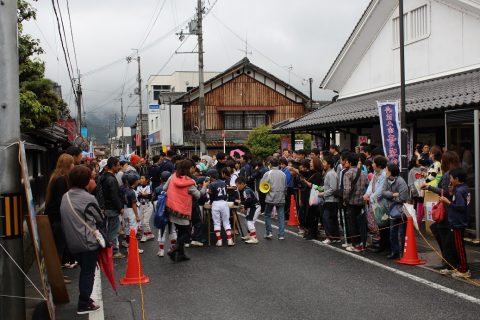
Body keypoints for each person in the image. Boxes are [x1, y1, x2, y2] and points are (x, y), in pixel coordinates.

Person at [60, 165, 103, 314]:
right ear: (86, 181)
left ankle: (86, 299)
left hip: (72, 242)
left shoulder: (65, 196)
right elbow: (99, 218)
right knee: (87, 272)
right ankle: (84, 303)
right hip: (87, 242)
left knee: (84, 271)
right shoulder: (88, 198)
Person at [422, 151, 460, 272]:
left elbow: (445, 192)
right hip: (452, 209)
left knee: (444, 234)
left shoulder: (447, 175)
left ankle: (449, 262)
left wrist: (429, 187)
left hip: (447, 209)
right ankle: (450, 261)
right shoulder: (456, 172)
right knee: (443, 232)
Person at [164, 159, 205, 261]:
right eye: (192, 168)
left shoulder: (172, 177)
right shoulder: (189, 183)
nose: (193, 170)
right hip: (182, 211)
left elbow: (164, 188)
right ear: (188, 169)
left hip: (171, 208)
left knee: (181, 231)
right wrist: (204, 187)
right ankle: (174, 248)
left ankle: (181, 254)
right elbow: (198, 195)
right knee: (186, 233)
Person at [45, 154, 77, 270]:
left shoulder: (56, 177)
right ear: (68, 165)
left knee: (58, 246)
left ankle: (58, 272)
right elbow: (61, 201)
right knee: (59, 246)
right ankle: (58, 275)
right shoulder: (61, 180)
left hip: (54, 217)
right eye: (72, 163)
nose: (74, 165)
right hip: (58, 218)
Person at [440, 168, 471, 278]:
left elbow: (460, 207)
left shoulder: (459, 191)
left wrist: (448, 202)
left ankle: (464, 269)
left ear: (457, 179)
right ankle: (459, 267)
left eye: (452, 178)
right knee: (457, 245)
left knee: (459, 247)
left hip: (458, 222)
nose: (450, 180)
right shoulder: (464, 188)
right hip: (459, 221)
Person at [382, 163, 409, 259]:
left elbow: (403, 198)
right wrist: (393, 195)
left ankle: (402, 253)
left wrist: (390, 198)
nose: (385, 171)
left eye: (387, 170)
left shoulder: (401, 182)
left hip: (401, 211)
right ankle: (395, 252)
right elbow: (383, 192)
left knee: (401, 233)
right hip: (392, 209)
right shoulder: (386, 179)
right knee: (392, 232)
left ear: (391, 171)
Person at [342, 153, 368, 252]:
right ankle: (362, 243)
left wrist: (345, 200)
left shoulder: (347, 173)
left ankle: (355, 245)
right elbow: (367, 186)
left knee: (352, 224)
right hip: (361, 202)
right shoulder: (363, 173)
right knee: (361, 223)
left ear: (349, 162)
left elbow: (347, 189)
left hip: (351, 202)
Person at [101, 157, 125, 259]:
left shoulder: (104, 177)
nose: (119, 167)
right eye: (118, 165)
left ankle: (109, 250)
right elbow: (114, 196)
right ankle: (113, 251)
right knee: (113, 231)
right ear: (113, 166)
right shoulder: (111, 179)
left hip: (106, 207)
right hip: (112, 208)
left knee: (108, 229)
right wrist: (120, 207)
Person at [363, 155, 388, 252]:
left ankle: (381, 244)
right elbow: (371, 185)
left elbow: (381, 190)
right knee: (372, 221)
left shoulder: (384, 175)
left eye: (374, 163)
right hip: (373, 202)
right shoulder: (375, 173)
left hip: (380, 203)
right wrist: (367, 194)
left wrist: (370, 197)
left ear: (379, 166)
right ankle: (377, 241)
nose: (372, 164)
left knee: (380, 222)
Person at [261, 157, 287, 240]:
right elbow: (285, 186)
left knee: (267, 214)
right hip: (281, 197)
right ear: (278, 164)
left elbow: (262, 185)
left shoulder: (268, 173)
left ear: (270, 164)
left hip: (270, 197)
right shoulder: (283, 174)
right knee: (281, 216)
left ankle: (269, 233)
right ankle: (281, 234)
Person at [208, 170, 234, 247]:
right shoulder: (224, 183)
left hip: (215, 203)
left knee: (216, 222)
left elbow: (211, 195)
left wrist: (211, 202)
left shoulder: (211, 184)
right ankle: (229, 240)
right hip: (224, 202)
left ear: (212, 177)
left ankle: (219, 241)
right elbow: (226, 195)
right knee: (226, 221)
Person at [299, 157, 324, 240]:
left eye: (312, 162)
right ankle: (309, 232)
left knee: (313, 215)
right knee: (308, 215)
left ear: (316, 164)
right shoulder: (311, 172)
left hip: (313, 198)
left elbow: (316, 187)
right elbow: (303, 172)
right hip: (308, 196)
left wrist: (305, 182)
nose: (310, 164)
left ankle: (313, 233)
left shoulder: (318, 175)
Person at [319, 155, 340, 244]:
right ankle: (335, 237)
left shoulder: (331, 173)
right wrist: (320, 189)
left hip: (331, 200)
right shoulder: (330, 173)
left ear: (329, 164)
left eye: (324, 162)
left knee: (327, 218)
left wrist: (323, 193)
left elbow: (333, 188)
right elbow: (328, 186)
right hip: (331, 200)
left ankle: (330, 237)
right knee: (333, 218)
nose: (323, 164)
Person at [235, 176, 261, 244]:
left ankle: (254, 238)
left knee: (250, 221)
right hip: (252, 207)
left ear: (242, 184)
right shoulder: (245, 189)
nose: (237, 187)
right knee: (246, 221)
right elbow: (248, 201)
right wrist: (245, 208)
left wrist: (241, 202)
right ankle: (250, 235)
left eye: (237, 185)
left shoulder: (246, 190)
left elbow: (248, 200)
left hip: (255, 207)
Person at [121, 172, 142, 253]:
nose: (138, 181)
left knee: (127, 229)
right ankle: (133, 248)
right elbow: (134, 204)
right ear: (135, 181)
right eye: (137, 180)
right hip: (131, 211)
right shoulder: (132, 192)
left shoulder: (125, 189)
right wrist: (137, 215)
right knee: (133, 230)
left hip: (125, 209)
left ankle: (128, 246)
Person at [137, 175, 154, 242]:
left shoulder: (149, 186)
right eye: (140, 178)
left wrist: (142, 194)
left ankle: (145, 235)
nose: (141, 179)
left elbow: (148, 196)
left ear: (147, 180)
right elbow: (138, 196)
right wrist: (142, 194)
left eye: (142, 178)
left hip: (148, 205)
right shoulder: (138, 187)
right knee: (141, 222)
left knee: (145, 222)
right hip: (141, 205)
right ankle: (150, 234)